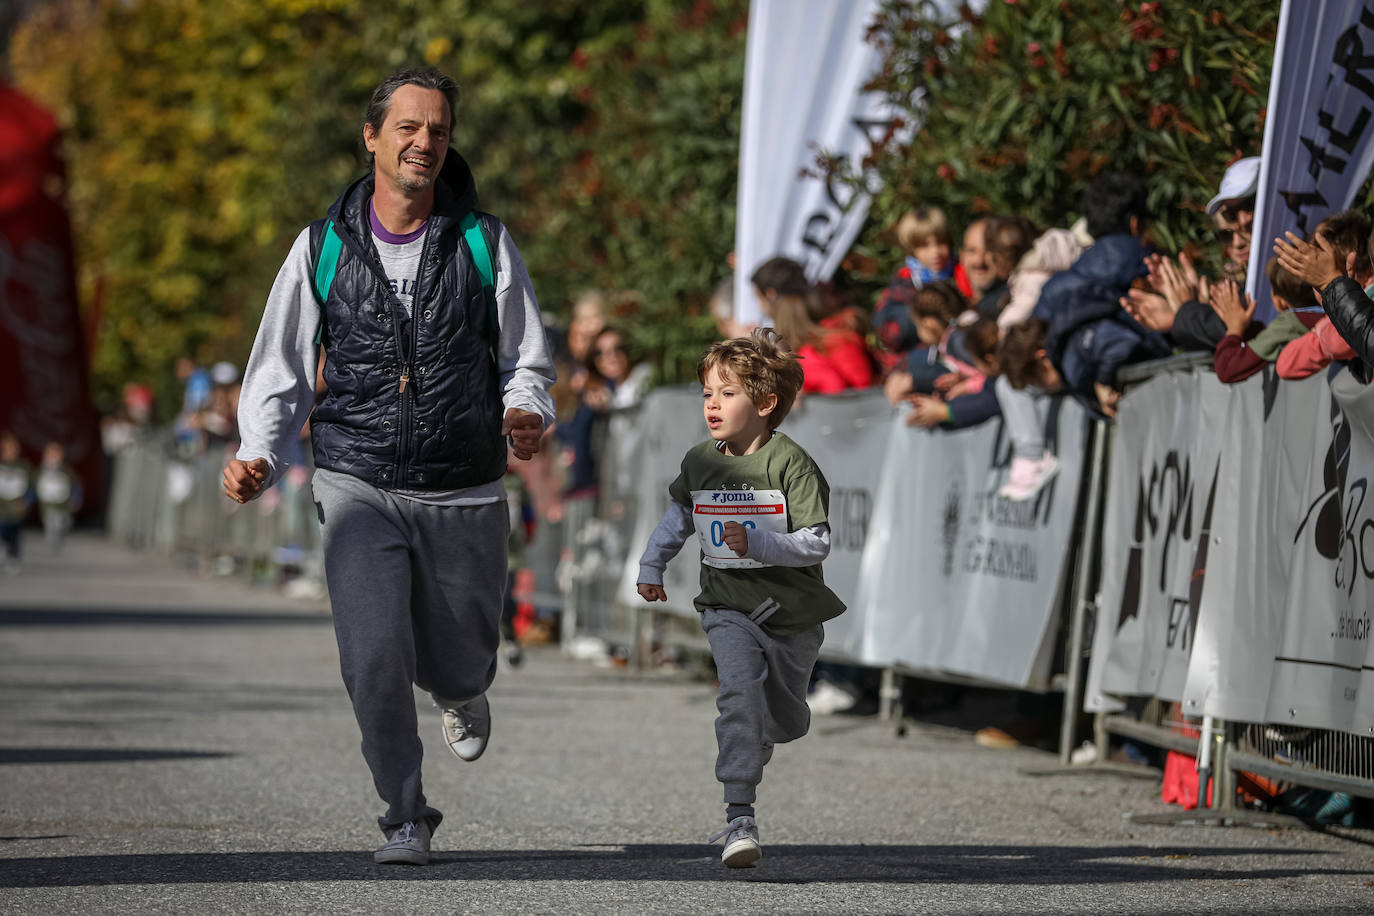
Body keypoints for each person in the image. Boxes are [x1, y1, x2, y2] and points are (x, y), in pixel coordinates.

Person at [222, 67, 556, 867]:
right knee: (372, 652)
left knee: (461, 654)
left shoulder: (482, 240)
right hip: (356, 475)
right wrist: (258, 448)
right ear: (372, 136)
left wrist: (527, 412)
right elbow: (280, 364)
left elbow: (528, 357)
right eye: (408, 127)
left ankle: (463, 687)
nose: (424, 142)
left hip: (463, 485)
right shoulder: (324, 246)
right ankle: (405, 814)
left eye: (438, 129)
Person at [635, 329, 845, 868]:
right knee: (737, 698)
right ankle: (739, 817)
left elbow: (817, 541)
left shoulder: (791, 463)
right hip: (728, 608)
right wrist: (652, 563)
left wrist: (759, 542)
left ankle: (761, 735)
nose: (712, 404)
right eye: (707, 392)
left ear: (766, 403)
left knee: (784, 717)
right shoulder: (702, 461)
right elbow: (679, 517)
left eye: (727, 393)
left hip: (793, 618)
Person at [752, 257, 874, 393]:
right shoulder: (835, 335)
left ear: (770, 294)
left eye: (758, 298)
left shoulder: (835, 340)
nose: (759, 306)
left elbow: (862, 395)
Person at [1212, 257, 1319, 384]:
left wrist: (1234, 328)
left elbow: (1227, 368)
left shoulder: (1290, 323)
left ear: (1279, 302)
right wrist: (1249, 328)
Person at [35, 441, 81, 554]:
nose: (53, 458)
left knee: (64, 523)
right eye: (50, 455)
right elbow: (32, 485)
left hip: (63, 506)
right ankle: (52, 539)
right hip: (48, 506)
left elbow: (76, 485)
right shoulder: (41, 471)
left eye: (56, 455)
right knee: (51, 522)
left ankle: (60, 537)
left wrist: (77, 499)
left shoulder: (66, 471)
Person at [0, 431, 33, 574]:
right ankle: (5, 549)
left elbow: (31, 488)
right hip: (2, 508)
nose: (10, 452)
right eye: (7, 449)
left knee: (14, 534)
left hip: (16, 508)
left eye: (13, 449)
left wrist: (27, 501)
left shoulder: (24, 467)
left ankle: (14, 557)